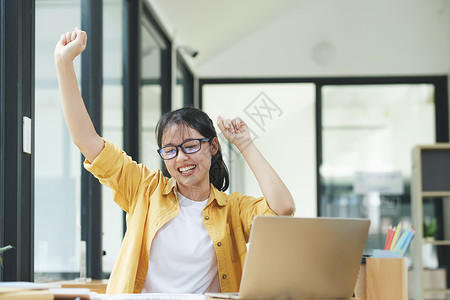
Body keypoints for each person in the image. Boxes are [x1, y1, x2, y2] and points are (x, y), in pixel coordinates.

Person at [54, 28, 296, 295]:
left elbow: (283, 208)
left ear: (213, 146)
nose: (181, 158)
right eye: (170, 150)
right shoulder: (145, 189)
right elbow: (86, 140)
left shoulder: (233, 210)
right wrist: (63, 63)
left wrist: (245, 143)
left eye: (190, 146)